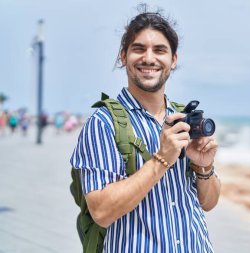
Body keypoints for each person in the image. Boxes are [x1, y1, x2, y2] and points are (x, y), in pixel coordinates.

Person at [70, 9, 221, 253]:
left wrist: (204, 166)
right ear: (123, 56)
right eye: (139, 49)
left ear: (173, 59)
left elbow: (209, 203)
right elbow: (101, 212)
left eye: (160, 50)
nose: (149, 58)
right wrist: (162, 159)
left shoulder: (182, 120)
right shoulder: (103, 123)